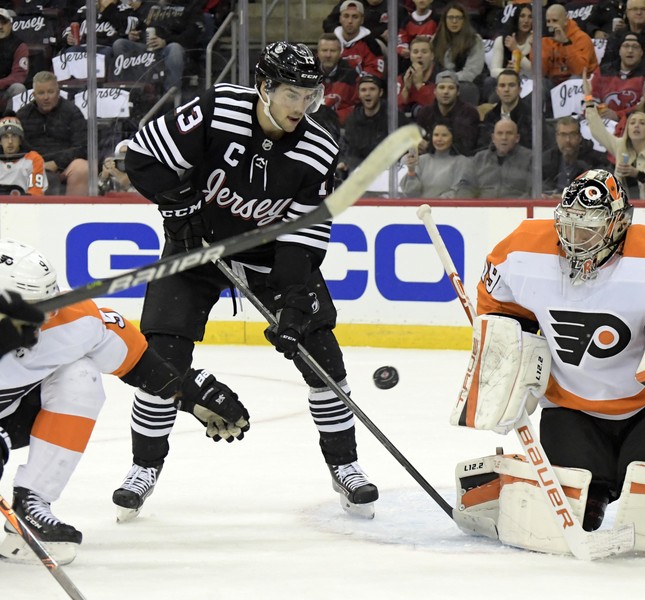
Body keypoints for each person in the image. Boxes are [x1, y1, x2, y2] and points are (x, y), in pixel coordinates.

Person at [117, 41, 380, 520]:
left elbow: (305, 235)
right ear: (264, 88)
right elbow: (140, 158)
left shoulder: (319, 147)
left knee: (322, 354)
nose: (302, 107)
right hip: (196, 245)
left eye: (310, 96)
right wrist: (180, 207)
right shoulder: (216, 110)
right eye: (291, 95)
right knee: (162, 357)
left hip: (269, 253)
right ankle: (143, 467)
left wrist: (295, 304)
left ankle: (347, 466)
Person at [472, 168, 645, 531]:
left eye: (589, 226)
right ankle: (596, 487)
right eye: (569, 224)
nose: (575, 237)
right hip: (570, 406)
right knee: (579, 509)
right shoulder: (521, 249)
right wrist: (510, 352)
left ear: (618, 224)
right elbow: (499, 306)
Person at [0, 239, 247, 563]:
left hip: (11, 419)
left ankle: (33, 501)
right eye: (31, 306)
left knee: (80, 375)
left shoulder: (74, 319)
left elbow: (140, 363)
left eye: (48, 301)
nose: (45, 316)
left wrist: (187, 392)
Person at [111, 0, 205, 98]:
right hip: (146, 48)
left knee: (175, 48)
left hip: (168, 48)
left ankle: (170, 95)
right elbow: (137, 25)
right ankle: (129, 91)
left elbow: (192, 34)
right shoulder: (148, 5)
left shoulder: (190, 6)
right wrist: (132, 35)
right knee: (120, 44)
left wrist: (165, 41)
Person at [15, 71, 88, 196]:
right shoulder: (23, 114)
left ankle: (74, 213)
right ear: (34, 95)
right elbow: (18, 146)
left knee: (82, 168)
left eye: (50, 92)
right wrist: (37, 163)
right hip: (30, 165)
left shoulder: (72, 112)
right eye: (41, 93)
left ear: (58, 93)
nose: (46, 97)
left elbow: (81, 147)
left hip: (63, 166)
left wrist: (57, 163)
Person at [452, 118, 532, 198]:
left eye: (509, 133)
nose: (504, 137)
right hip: (483, 208)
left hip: (518, 208)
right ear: (493, 138)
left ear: (517, 138)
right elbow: (466, 185)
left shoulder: (530, 158)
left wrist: (516, 207)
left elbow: (534, 190)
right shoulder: (479, 158)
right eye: (500, 133)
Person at [340, 74, 398, 174]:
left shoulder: (394, 117)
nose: (367, 93)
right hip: (359, 171)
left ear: (380, 92)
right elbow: (347, 148)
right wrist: (344, 162)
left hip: (388, 171)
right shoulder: (353, 119)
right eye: (363, 90)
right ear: (359, 94)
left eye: (372, 89)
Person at [590, 31, 645, 121]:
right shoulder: (602, 71)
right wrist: (594, 110)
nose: (630, 50)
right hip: (602, 122)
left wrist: (618, 115)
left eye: (635, 47)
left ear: (641, 52)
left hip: (634, 123)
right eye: (626, 46)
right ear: (619, 50)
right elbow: (589, 97)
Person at [415, 70, 481, 157]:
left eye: (451, 88)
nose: (446, 92)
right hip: (429, 160)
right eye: (441, 87)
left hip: (458, 161)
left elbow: (466, 146)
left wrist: (430, 147)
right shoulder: (425, 112)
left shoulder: (469, 113)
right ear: (434, 91)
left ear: (458, 92)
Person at [431, 2, 485, 106]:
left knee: (466, 89)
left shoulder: (474, 40)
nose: (454, 21)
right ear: (445, 20)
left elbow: (472, 72)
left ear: (464, 20)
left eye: (458, 18)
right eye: (450, 17)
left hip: (465, 82)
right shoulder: (436, 39)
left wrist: (447, 80)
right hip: (440, 82)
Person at [541, 115, 606, 196]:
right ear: (556, 137)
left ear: (579, 137)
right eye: (563, 135)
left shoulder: (595, 160)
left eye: (572, 134)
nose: (568, 140)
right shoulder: (546, 160)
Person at [400, 123, 469, 198]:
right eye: (436, 135)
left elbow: (462, 192)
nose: (439, 139)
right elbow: (411, 194)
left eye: (444, 135)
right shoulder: (421, 160)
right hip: (422, 208)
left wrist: (438, 203)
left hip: (447, 208)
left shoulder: (462, 162)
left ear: (453, 138)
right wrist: (411, 171)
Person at [601, 0, 645, 71]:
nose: (639, 13)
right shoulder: (617, 35)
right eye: (635, 9)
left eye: (643, 9)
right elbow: (606, 63)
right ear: (627, 13)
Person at [542, 4, 598, 88]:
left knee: (575, 79)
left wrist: (566, 43)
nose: (551, 25)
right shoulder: (545, 40)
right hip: (554, 82)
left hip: (582, 84)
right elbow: (541, 72)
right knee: (540, 82)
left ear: (565, 21)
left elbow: (580, 71)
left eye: (554, 21)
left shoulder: (582, 38)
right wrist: (536, 50)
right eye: (548, 21)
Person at [477, 69, 532, 151]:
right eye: (502, 85)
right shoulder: (490, 116)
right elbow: (483, 146)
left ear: (519, 90)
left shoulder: (532, 115)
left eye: (511, 85)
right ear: (497, 91)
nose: (506, 90)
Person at [332, 0, 384, 77]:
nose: (350, 21)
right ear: (340, 18)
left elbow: (375, 73)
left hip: (360, 87)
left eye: (355, 17)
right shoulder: (330, 41)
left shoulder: (371, 44)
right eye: (346, 16)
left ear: (362, 20)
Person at [317, 33, 359, 127]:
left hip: (341, 129)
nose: (328, 55)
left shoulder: (351, 75)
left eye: (332, 51)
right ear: (318, 53)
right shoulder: (308, 73)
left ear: (340, 53)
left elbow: (356, 108)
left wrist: (332, 120)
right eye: (324, 50)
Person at [0, 115, 46, 195]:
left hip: (25, 206)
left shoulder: (34, 159)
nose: (10, 141)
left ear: (20, 140)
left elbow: (36, 194)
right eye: (5, 137)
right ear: (0, 141)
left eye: (14, 136)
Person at [488, 3, 534, 80]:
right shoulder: (501, 40)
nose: (526, 21)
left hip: (530, 82)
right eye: (522, 16)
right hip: (507, 81)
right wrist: (509, 72)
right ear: (516, 18)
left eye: (530, 17)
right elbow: (493, 72)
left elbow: (534, 70)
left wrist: (515, 50)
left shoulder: (536, 40)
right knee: (489, 81)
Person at [398, 36, 437, 120]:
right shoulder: (402, 78)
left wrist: (420, 85)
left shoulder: (441, 77)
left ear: (432, 56)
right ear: (410, 56)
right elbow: (396, 111)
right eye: (415, 52)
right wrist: (406, 89)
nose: (419, 55)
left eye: (424, 52)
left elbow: (437, 108)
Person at [0, 8, 28, 111]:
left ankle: (10, 123)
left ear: (10, 25)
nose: (0, 26)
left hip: (5, 92)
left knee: (18, 88)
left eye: (4, 22)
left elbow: (18, 77)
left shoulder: (19, 46)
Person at [397, 0, 439, 67]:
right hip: (411, 62)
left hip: (434, 61)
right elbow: (401, 43)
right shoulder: (406, 21)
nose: (421, 0)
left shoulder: (438, 19)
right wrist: (403, 50)